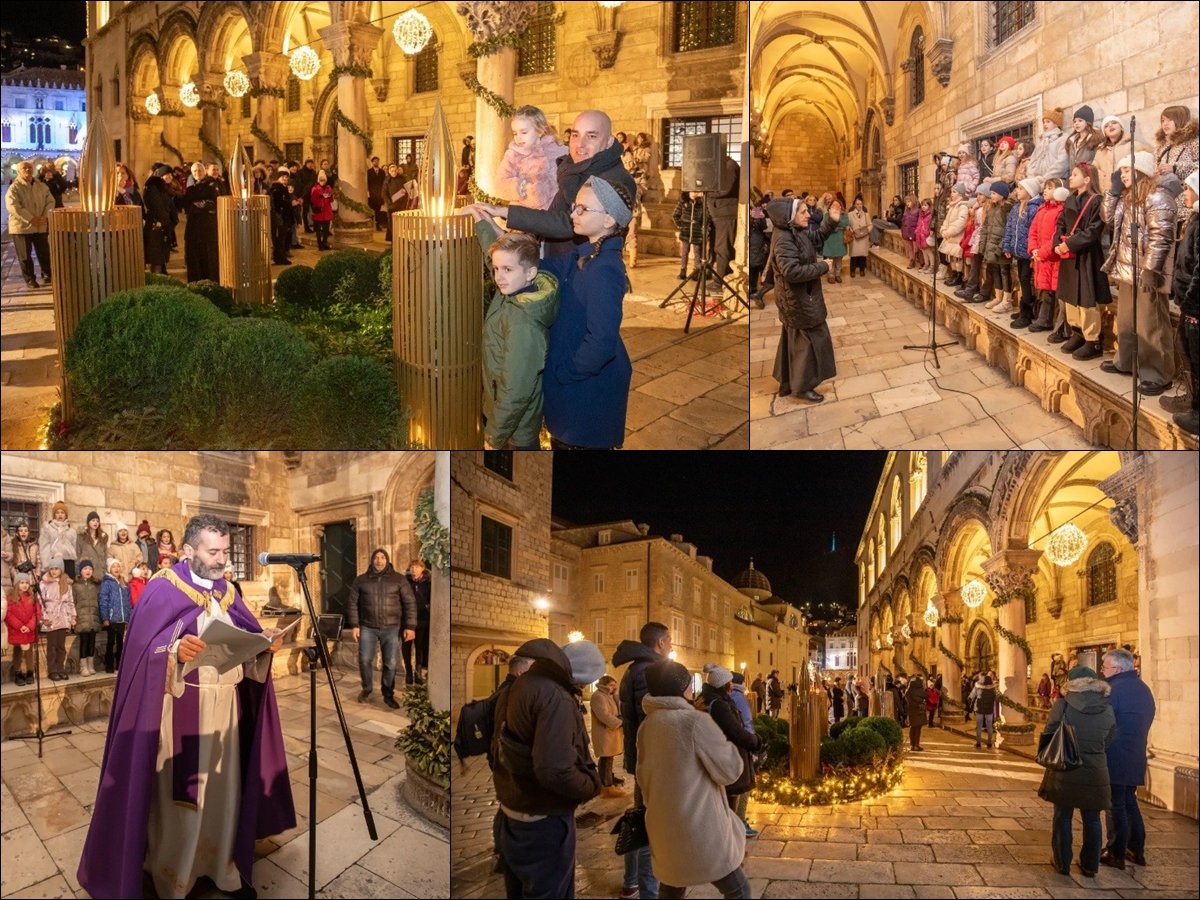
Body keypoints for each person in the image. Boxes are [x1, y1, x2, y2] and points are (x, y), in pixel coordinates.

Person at [77, 515, 295, 900]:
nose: (221, 560)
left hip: (226, 707)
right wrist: (174, 652)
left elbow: (242, 643)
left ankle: (221, 867)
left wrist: (263, 645)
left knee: (222, 791)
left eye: (226, 552)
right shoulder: (163, 590)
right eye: (213, 552)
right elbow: (142, 653)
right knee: (182, 799)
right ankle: (174, 875)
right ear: (188, 550)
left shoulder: (229, 592)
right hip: (180, 705)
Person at [490, 638, 602, 899]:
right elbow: (555, 771)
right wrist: (591, 785)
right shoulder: (556, 697)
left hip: (514, 809)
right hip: (544, 819)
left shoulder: (520, 684)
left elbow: (498, 746)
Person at [637, 659, 752, 900]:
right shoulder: (694, 722)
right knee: (738, 889)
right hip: (701, 827)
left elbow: (642, 775)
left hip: (664, 825)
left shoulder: (647, 725)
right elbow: (730, 770)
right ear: (682, 689)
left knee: (671, 886)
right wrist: (728, 746)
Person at [535, 176, 633, 449]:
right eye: (575, 206)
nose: (574, 213)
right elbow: (543, 267)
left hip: (585, 392)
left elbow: (601, 341)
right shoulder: (584, 254)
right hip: (573, 386)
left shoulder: (604, 268)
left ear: (609, 221)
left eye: (583, 209)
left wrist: (566, 373)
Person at [468, 109, 636, 259]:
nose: (580, 144)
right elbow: (549, 213)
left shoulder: (615, 180)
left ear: (608, 141)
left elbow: (567, 223)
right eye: (575, 135)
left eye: (591, 136)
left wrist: (506, 212)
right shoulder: (568, 167)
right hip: (552, 261)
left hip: (582, 271)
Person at [474, 224, 560, 450]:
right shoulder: (517, 289)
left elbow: (516, 391)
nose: (499, 277)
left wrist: (494, 436)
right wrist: (480, 222)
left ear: (530, 273)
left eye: (507, 270)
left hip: (515, 430)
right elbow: (495, 256)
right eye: (496, 269)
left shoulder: (524, 324)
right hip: (503, 415)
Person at [1100, 153, 1179, 395]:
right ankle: (1126, 361)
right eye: (1121, 172)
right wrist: (1112, 193)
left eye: (1127, 170)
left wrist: (1151, 269)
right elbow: (1108, 218)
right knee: (1127, 318)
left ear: (1141, 171)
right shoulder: (1127, 198)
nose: (1122, 175)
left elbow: (1161, 236)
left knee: (1150, 322)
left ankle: (1158, 372)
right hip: (1127, 267)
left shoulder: (1157, 197)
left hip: (1147, 270)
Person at [1037, 665, 1115, 878]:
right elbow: (1109, 738)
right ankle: (1090, 866)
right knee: (1092, 818)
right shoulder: (1107, 707)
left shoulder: (1063, 705)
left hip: (1066, 769)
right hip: (1096, 770)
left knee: (1062, 816)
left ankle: (1062, 863)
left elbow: (1050, 732)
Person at [611, 622, 670, 900]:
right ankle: (650, 890)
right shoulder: (650, 671)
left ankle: (630, 881)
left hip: (640, 757)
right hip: (652, 758)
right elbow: (653, 718)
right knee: (651, 824)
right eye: (669, 640)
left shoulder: (633, 669)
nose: (670, 645)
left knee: (639, 815)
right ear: (660, 642)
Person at [766, 194, 843, 403]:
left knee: (796, 341)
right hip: (798, 300)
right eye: (803, 212)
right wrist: (823, 267)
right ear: (790, 216)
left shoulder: (794, 231)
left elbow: (815, 239)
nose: (808, 214)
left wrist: (830, 221)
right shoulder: (784, 239)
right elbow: (792, 272)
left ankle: (788, 381)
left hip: (800, 298)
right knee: (810, 342)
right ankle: (802, 387)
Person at [1100, 648, 1156, 870]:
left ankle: (1116, 853)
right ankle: (1136, 848)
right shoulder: (1143, 689)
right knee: (1129, 801)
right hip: (1135, 755)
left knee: (1115, 805)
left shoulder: (1114, 690)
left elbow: (1105, 724)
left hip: (1115, 755)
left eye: (1104, 666)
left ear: (1118, 668)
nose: (1102, 670)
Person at [347, 548, 417, 709]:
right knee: (364, 660)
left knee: (390, 663)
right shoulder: (361, 580)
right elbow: (352, 603)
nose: (379, 560)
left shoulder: (399, 579)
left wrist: (410, 626)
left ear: (387, 559)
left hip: (391, 627)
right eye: (376, 557)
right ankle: (367, 689)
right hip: (367, 627)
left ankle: (388, 694)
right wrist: (355, 625)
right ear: (372, 560)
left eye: (382, 557)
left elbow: (410, 603)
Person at [1053, 163, 1108, 353]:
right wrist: (1056, 244)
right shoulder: (1070, 199)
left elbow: (1094, 230)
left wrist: (1069, 244)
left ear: (1087, 179)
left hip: (1087, 255)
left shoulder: (1096, 201)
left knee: (1086, 298)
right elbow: (1060, 223)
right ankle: (1077, 332)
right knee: (1069, 296)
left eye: (1075, 174)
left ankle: (1092, 339)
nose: (1070, 178)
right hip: (1068, 254)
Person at [498, 104, 569, 211]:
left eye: (524, 132)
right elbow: (500, 183)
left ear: (539, 131)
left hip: (555, 214)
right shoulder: (513, 155)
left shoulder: (558, 150)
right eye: (515, 133)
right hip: (524, 215)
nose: (519, 137)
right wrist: (524, 188)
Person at [1171, 172, 1200, 435]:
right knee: (1188, 353)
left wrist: (1191, 303)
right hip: (1189, 305)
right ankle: (1192, 402)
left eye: (1189, 188)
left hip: (1195, 308)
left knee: (1196, 358)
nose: (1185, 194)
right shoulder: (1195, 218)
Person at [1002, 176, 1045, 327]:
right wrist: (1007, 246)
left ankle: (1027, 314)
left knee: (1026, 280)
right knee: (1022, 279)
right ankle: (1024, 310)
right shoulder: (1016, 207)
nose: (1017, 191)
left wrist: (1034, 252)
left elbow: (1035, 233)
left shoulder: (1034, 209)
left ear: (1029, 191)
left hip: (1028, 253)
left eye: (1021, 189)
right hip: (1018, 252)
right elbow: (1009, 228)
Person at [5, 160, 55, 288]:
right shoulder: (14, 187)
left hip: (40, 225)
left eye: (29, 168)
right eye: (24, 168)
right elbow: (13, 206)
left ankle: (47, 274)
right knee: (25, 256)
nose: (27, 170)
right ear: (19, 171)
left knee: (44, 252)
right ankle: (30, 279)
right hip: (22, 227)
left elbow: (50, 201)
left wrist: (44, 216)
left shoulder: (40, 185)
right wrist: (31, 219)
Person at [1027, 181, 1068, 333]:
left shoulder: (1061, 210)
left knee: (1056, 292)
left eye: (1050, 188)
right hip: (1041, 257)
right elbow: (1033, 231)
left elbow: (1056, 236)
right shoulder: (1042, 208)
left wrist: (1043, 252)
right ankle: (1044, 319)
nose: (1045, 190)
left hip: (1053, 257)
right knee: (1046, 290)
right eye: (1045, 187)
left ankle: (1059, 326)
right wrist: (1033, 250)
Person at [1154, 105, 1199, 220]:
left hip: (1188, 208)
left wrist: (1175, 168)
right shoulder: (1161, 148)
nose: (1165, 124)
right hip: (1165, 208)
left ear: (1180, 119)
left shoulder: (1194, 142)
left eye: (1170, 120)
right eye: (1163, 120)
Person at [706, 154, 741, 291]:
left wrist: (704, 191)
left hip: (726, 214)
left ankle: (720, 281)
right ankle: (721, 279)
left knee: (723, 248)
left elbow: (725, 189)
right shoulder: (723, 166)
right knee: (719, 248)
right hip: (720, 214)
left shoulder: (729, 166)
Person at [183, 161, 220, 282]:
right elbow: (187, 206)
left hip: (208, 228)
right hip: (193, 229)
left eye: (199, 170)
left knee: (209, 258)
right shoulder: (190, 188)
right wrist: (198, 206)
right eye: (194, 171)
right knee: (194, 259)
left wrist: (202, 206)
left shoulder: (212, 185)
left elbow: (215, 203)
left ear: (204, 172)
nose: (197, 173)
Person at [39, 559, 75, 680]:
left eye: (56, 568)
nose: (54, 571)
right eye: (52, 569)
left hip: (63, 617)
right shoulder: (44, 584)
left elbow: (70, 602)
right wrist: (44, 618)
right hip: (51, 617)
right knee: (52, 646)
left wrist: (72, 617)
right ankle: (52, 670)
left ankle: (61, 668)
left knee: (61, 646)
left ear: (61, 570)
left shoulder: (66, 584)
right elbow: (40, 602)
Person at [590, 674, 625, 798]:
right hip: (604, 732)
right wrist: (619, 722)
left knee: (610, 757)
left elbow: (617, 710)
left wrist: (615, 696)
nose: (614, 687)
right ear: (604, 685)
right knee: (606, 758)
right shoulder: (598, 696)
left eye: (615, 685)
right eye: (611, 685)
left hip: (611, 732)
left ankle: (610, 777)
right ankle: (606, 785)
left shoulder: (608, 696)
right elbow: (603, 715)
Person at [5, 571, 41, 684]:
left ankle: (30, 672)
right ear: (16, 584)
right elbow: (9, 614)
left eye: (26, 582)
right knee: (18, 652)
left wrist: (29, 626)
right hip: (17, 630)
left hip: (29, 630)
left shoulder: (33, 597)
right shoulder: (10, 598)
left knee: (29, 651)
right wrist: (20, 626)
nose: (24, 585)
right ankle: (18, 673)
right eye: (21, 582)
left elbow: (37, 613)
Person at [142, 164, 178, 275]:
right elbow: (158, 208)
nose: (170, 176)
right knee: (156, 262)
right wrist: (167, 224)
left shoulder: (163, 189)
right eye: (166, 174)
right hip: (156, 229)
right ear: (160, 175)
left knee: (161, 262)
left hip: (162, 229)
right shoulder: (153, 188)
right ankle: (157, 288)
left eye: (171, 174)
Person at [623, 132, 652, 268]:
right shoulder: (621, 174)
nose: (629, 163)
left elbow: (644, 187)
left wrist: (636, 190)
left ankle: (633, 261)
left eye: (631, 161)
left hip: (634, 209)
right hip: (621, 209)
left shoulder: (640, 173)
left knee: (632, 234)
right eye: (626, 162)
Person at [99, 558, 132, 673]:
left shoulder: (124, 583)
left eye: (118, 566)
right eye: (114, 567)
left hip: (122, 619)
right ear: (110, 569)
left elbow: (128, 601)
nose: (116, 569)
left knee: (120, 643)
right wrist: (105, 617)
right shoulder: (107, 583)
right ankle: (109, 665)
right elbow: (103, 600)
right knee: (111, 642)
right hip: (112, 619)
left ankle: (119, 664)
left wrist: (129, 616)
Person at [405, 559, 432, 686]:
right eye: (411, 567)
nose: (413, 570)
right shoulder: (405, 583)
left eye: (416, 567)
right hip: (406, 620)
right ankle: (409, 673)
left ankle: (418, 672)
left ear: (422, 569)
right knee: (406, 647)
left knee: (420, 647)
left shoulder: (428, 583)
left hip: (422, 619)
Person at [672, 190, 708, 281]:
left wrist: (703, 228)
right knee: (684, 252)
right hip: (686, 232)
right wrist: (681, 225)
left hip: (697, 233)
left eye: (695, 192)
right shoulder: (683, 202)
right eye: (691, 192)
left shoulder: (702, 203)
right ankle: (683, 271)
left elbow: (706, 217)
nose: (693, 194)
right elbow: (676, 215)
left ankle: (697, 272)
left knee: (697, 253)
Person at [74, 559, 101, 677]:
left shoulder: (96, 585)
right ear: (80, 571)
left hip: (93, 617)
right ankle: (83, 666)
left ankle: (91, 665)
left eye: (90, 569)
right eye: (85, 569)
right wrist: (74, 617)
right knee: (84, 642)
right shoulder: (76, 586)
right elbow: (73, 601)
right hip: (82, 618)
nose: (88, 571)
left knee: (92, 642)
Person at [1027, 108, 1071, 181]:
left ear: (1056, 124)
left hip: (1055, 180)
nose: (1045, 124)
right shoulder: (1042, 141)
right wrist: (1031, 178)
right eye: (1044, 122)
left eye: (1048, 122)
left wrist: (1046, 178)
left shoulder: (1063, 138)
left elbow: (1063, 162)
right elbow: (1033, 160)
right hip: (1037, 181)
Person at [940, 183, 970, 286]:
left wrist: (949, 232)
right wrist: (943, 229)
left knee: (957, 258)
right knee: (951, 257)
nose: (951, 194)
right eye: (951, 191)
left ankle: (959, 276)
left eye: (954, 192)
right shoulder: (952, 205)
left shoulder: (963, 206)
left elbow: (960, 222)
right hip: (950, 237)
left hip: (957, 237)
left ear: (960, 194)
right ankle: (953, 274)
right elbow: (946, 220)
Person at [39, 501, 77, 578]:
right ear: (54, 515)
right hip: (54, 561)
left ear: (66, 515)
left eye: (62, 512)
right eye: (57, 512)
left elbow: (74, 546)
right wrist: (47, 565)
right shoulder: (48, 529)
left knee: (67, 585)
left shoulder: (71, 531)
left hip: (68, 562)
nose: (60, 515)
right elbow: (44, 547)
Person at [822, 199, 852, 283]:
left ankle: (837, 274)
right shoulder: (827, 214)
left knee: (839, 259)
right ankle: (831, 275)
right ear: (830, 206)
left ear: (840, 206)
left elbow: (845, 223)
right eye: (833, 205)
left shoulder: (844, 214)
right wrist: (837, 226)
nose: (835, 206)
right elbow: (826, 224)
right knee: (830, 259)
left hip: (839, 239)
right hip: (829, 239)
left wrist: (835, 223)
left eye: (837, 205)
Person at [268, 167, 294, 265]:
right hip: (280, 217)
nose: (285, 179)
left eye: (286, 177)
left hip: (284, 216)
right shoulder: (277, 188)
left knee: (282, 238)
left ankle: (280, 257)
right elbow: (278, 203)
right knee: (279, 239)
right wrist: (288, 203)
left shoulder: (283, 188)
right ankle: (280, 258)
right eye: (283, 177)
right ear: (279, 178)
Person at [383, 162, 408, 242]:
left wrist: (404, 193)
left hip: (401, 205)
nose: (394, 172)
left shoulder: (402, 179)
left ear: (397, 170)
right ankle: (393, 239)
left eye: (395, 170)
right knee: (392, 223)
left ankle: (401, 237)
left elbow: (406, 189)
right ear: (389, 172)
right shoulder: (387, 180)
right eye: (392, 171)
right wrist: (389, 202)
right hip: (392, 206)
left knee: (401, 223)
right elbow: (384, 193)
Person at [310, 170, 335, 251]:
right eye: (321, 180)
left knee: (326, 230)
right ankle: (319, 244)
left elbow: (331, 200)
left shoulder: (328, 187)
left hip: (327, 211)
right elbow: (313, 200)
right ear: (318, 180)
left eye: (323, 180)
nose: (322, 182)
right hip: (319, 211)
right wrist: (321, 197)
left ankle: (324, 243)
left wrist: (330, 196)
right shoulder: (315, 188)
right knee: (318, 230)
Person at [847, 196, 871, 278]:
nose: (859, 205)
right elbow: (847, 225)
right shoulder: (850, 215)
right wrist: (851, 229)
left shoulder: (866, 214)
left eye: (861, 204)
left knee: (862, 255)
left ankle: (862, 270)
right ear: (854, 205)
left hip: (864, 237)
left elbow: (870, 225)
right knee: (853, 255)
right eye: (857, 204)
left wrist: (866, 231)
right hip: (854, 237)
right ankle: (852, 271)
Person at [905, 675, 927, 750]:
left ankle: (912, 745)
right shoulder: (920, 690)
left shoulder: (909, 690)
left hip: (911, 711)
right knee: (918, 729)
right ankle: (916, 745)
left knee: (912, 728)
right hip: (919, 711)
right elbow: (927, 695)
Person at [367, 155, 387, 230]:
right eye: (374, 161)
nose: (376, 162)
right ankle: (371, 224)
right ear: (372, 162)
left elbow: (384, 182)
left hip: (379, 194)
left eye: (377, 161)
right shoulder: (369, 172)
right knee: (371, 210)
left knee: (378, 210)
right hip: (372, 194)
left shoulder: (382, 172)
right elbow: (367, 183)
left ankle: (378, 225)